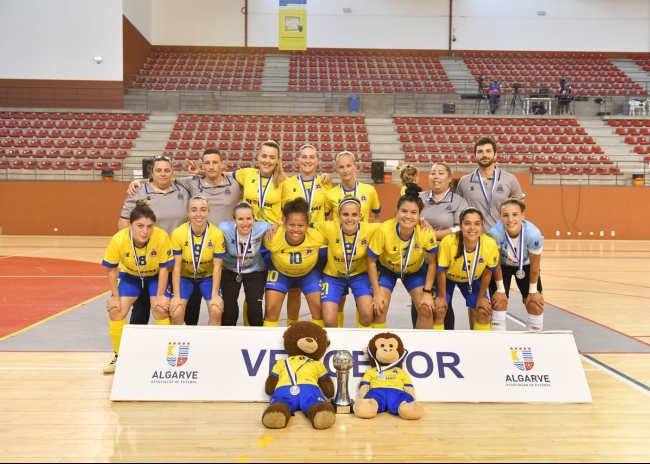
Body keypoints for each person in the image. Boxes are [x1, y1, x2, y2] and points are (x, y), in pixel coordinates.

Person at [128, 148, 244, 325]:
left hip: (225, 252)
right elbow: (165, 178)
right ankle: (184, 344)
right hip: (189, 253)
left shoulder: (236, 184)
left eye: (215, 162)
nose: (211, 166)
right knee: (186, 305)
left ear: (223, 164)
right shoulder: (192, 183)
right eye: (207, 163)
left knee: (224, 305)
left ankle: (216, 345)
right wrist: (140, 181)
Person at [101, 200, 174, 374]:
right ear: (130, 224)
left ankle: (167, 355)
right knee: (115, 310)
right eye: (140, 226)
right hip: (130, 277)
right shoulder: (119, 239)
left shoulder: (161, 236)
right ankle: (120, 356)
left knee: (160, 308)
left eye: (149, 226)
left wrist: (161, 295)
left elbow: (165, 268)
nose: (145, 231)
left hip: (155, 276)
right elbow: (111, 271)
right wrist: (115, 297)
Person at [119, 155, 189, 327]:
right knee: (142, 306)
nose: (163, 174)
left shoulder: (183, 190)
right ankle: (138, 346)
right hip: (148, 259)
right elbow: (123, 221)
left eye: (167, 170)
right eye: (158, 170)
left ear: (173, 171)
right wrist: (133, 247)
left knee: (172, 306)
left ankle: (177, 345)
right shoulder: (139, 192)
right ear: (152, 172)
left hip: (176, 260)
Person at [366, 183, 438, 329]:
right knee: (378, 308)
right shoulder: (385, 230)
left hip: (414, 272)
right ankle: (380, 348)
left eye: (413, 212)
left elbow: (432, 263)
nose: (408, 216)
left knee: (427, 309)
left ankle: (421, 348)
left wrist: (427, 292)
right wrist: (377, 293)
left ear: (419, 215)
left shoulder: (425, 232)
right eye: (404, 211)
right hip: (387, 271)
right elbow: (371, 261)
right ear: (397, 212)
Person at [325, 151, 382, 327]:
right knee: (338, 304)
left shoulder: (369, 190)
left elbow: (378, 216)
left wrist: (372, 239)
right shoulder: (331, 194)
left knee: (365, 307)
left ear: (355, 166)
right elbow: (325, 220)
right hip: (339, 253)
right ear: (337, 169)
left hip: (361, 254)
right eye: (341, 167)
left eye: (348, 165)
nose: (345, 170)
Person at [413, 162, 469, 330]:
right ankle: (418, 339)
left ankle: (444, 340)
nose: (436, 176)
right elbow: (407, 221)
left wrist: (433, 235)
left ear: (449, 178)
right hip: (418, 259)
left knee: (442, 303)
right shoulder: (419, 198)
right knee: (420, 302)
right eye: (432, 173)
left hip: (443, 261)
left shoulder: (459, 202)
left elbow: (461, 228)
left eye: (441, 173)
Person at [282, 144, 332, 326]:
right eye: (304, 157)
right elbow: (284, 212)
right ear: (298, 160)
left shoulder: (325, 183)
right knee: (294, 291)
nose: (308, 160)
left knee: (316, 292)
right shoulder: (288, 184)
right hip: (295, 241)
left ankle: (318, 331)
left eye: (312, 157)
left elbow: (329, 212)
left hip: (318, 244)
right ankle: (291, 328)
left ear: (317, 161)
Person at [312, 196, 380, 328]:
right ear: (338, 216)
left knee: (367, 316)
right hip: (333, 276)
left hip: (359, 276)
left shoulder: (370, 229)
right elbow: (304, 224)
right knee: (329, 321)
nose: (350, 219)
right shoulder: (329, 227)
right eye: (345, 214)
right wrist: (279, 224)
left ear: (361, 216)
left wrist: (422, 221)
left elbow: (394, 225)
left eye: (354, 215)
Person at [262, 198, 326, 327]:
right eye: (292, 225)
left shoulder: (317, 237)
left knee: (319, 308)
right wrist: (277, 224)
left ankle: (316, 338)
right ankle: (268, 342)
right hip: (280, 272)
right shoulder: (272, 237)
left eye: (301, 225)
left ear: (307, 225)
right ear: (285, 223)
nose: (296, 229)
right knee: (270, 309)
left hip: (308, 273)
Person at [434, 208, 500, 331]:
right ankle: (438, 346)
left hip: (472, 279)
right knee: (439, 310)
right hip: (448, 277)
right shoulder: (448, 242)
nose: (472, 228)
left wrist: (481, 298)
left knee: (483, 311)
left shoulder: (490, 244)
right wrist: (442, 298)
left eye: (477, 224)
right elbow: (441, 271)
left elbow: (487, 272)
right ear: (460, 226)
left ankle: (480, 348)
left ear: (482, 226)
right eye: (467, 223)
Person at [219, 202, 281, 326]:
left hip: (255, 270)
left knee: (255, 311)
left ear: (254, 218)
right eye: (240, 219)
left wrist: (278, 224)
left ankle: (256, 342)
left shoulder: (262, 227)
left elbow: (285, 225)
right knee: (229, 311)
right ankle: (227, 340)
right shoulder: (223, 228)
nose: (245, 223)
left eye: (249, 218)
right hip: (230, 270)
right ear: (233, 220)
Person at [488, 198, 545, 332]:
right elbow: (495, 263)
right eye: (505, 215)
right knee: (499, 302)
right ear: (500, 217)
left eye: (515, 214)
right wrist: (500, 290)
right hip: (502, 267)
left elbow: (535, 265)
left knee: (535, 305)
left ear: (522, 216)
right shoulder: (495, 233)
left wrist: (532, 291)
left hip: (525, 267)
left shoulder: (533, 234)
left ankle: (533, 343)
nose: (510, 219)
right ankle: (499, 343)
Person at [169, 196, 227, 326]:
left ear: (209, 212)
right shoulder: (178, 233)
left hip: (207, 277)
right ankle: (182, 343)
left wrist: (215, 295)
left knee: (216, 311)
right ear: (188, 213)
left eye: (203, 210)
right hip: (185, 277)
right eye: (194, 210)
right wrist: (176, 296)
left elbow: (217, 267)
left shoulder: (216, 234)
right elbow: (176, 267)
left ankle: (209, 344)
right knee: (176, 312)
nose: (199, 214)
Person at [455, 137, 522, 232]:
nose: (484, 155)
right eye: (480, 152)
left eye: (488, 151)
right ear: (475, 156)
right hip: (473, 237)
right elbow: (458, 210)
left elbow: (519, 208)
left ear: (495, 155)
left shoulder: (510, 179)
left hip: (501, 238)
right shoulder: (464, 182)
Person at [228, 140, 286, 224]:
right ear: (258, 157)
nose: (267, 161)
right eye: (264, 156)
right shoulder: (247, 173)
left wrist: (279, 224)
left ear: (278, 160)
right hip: (248, 226)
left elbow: (288, 210)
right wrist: (202, 172)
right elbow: (222, 174)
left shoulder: (283, 180)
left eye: (272, 157)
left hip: (272, 229)